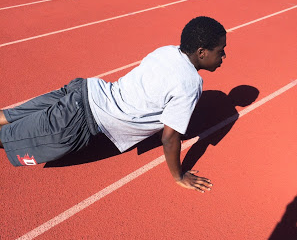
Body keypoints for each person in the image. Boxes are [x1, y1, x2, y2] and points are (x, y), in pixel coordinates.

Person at [0, 16, 226, 192]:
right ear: (201, 52)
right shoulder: (190, 83)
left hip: (83, 89)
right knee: (6, 139)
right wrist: (179, 176)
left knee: (8, 116)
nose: (224, 56)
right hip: (78, 119)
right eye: (220, 51)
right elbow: (169, 137)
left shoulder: (167, 51)